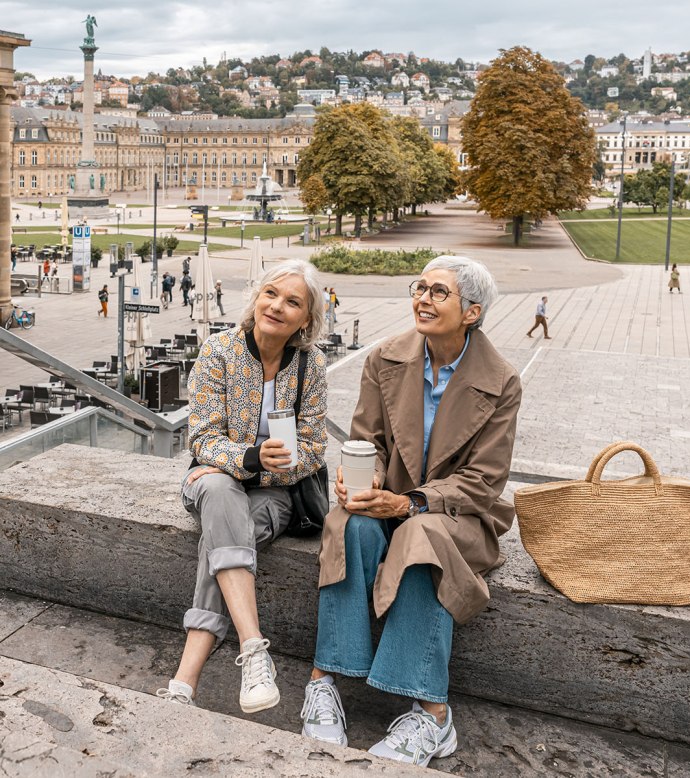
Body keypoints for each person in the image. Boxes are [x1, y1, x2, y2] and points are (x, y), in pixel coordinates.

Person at [300, 256, 522, 767]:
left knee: (421, 536)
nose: (421, 298)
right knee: (350, 522)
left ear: (471, 312)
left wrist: (409, 502)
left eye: (437, 292)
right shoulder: (386, 358)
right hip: (392, 501)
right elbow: (367, 439)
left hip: (459, 516)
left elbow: (484, 482)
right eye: (419, 287)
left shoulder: (502, 380)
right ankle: (325, 678)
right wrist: (366, 477)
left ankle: (432, 715)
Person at [157, 259, 327, 712]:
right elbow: (202, 437)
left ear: (306, 319)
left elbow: (312, 450)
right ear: (256, 298)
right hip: (213, 484)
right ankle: (254, 649)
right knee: (217, 492)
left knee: (225, 528)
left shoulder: (310, 366)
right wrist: (250, 459)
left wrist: (260, 470)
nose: (277, 306)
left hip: (274, 496)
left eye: (293, 302)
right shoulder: (220, 351)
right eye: (271, 293)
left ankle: (182, 687)